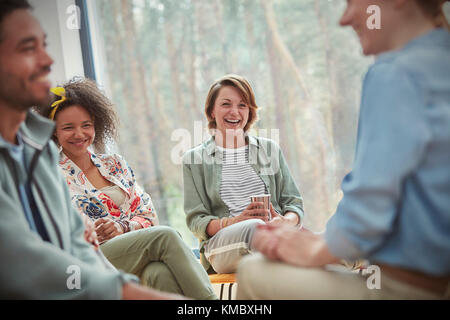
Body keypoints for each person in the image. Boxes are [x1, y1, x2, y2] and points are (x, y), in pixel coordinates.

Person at [237, 0, 450, 300]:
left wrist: (315, 248)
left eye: (352, 2)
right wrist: (329, 243)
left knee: (253, 270)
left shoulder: (395, 73)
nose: (345, 18)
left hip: (408, 290)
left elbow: (369, 209)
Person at [0, 0, 187, 299]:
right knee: (164, 243)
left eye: (45, 45)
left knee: (158, 273)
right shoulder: (52, 163)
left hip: (107, 267)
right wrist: (125, 291)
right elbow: (27, 265)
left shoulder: (40, 153)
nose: (48, 60)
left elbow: (80, 247)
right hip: (94, 272)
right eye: (27, 48)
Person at [38, 77, 217, 300]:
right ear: (54, 131)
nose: (79, 134)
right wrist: (94, 231)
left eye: (86, 125)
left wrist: (122, 226)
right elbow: (54, 235)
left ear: (96, 124)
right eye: (68, 127)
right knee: (165, 236)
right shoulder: (50, 176)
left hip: (132, 252)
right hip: (88, 261)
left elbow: (149, 215)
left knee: (158, 274)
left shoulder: (115, 164)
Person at [182, 74, 305, 274]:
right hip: (223, 247)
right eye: (226, 104)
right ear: (212, 111)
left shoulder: (270, 149)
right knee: (256, 227)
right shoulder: (194, 159)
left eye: (242, 105)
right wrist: (235, 221)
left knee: (331, 240)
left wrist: (286, 221)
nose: (234, 112)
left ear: (249, 111)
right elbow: (196, 222)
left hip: (274, 236)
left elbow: (293, 204)